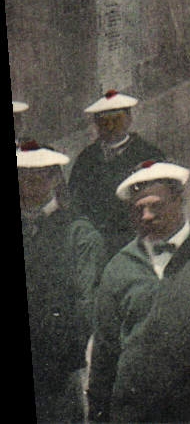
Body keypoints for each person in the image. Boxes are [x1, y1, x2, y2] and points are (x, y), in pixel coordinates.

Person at [90, 161, 190, 424]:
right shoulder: (118, 268)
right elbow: (104, 352)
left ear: (179, 200)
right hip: (134, 413)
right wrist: (97, 416)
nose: (147, 216)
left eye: (156, 205)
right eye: (138, 209)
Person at [22, 141, 104, 423]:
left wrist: (68, 353)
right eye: (22, 177)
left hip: (59, 361)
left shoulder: (78, 232)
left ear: (55, 178)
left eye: (37, 177)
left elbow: (87, 301)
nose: (28, 186)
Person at [68, 90, 165, 259]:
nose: (110, 127)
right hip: (98, 241)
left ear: (129, 120)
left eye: (116, 120)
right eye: (103, 122)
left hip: (138, 236)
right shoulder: (86, 159)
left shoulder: (148, 155)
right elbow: (75, 200)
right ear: (96, 125)